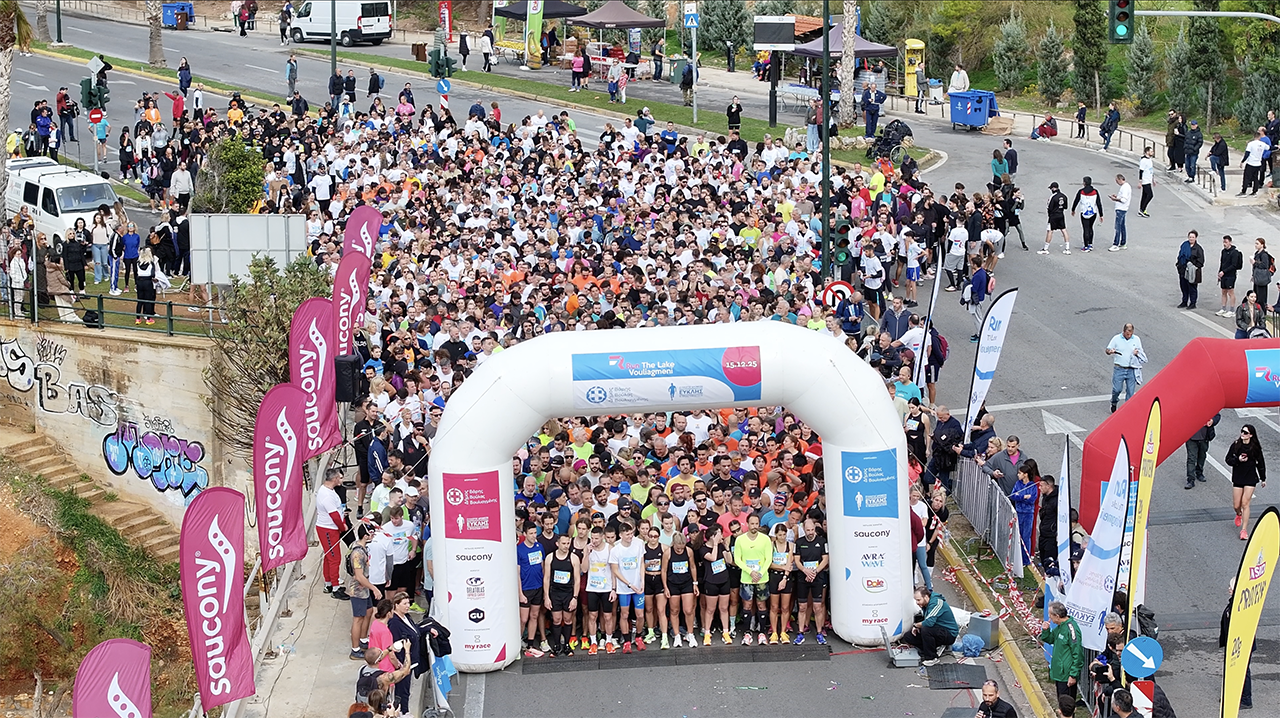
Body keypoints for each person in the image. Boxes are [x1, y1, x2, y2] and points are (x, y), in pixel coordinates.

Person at [733, 513, 772, 645]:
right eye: (752, 524)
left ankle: (762, 633)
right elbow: (737, 559)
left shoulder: (765, 539)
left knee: (761, 605)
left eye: (756, 524)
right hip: (746, 578)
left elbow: (768, 559)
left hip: (762, 578)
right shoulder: (740, 540)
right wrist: (750, 572)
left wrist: (760, 573)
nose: (754, 526)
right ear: (747, 524)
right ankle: (747, 633)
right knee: (747, 605)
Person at [1226, 423, 1267, 540]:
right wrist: (1237, 460)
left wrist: (1263, 478)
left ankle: (1244, 530)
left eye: (1245, 432)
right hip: (1238, 477)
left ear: (1251, 435)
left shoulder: (1255, 448)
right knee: (1236, 505)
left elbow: (1261, 463)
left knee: (1245, 503)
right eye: (1242, 431)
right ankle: (1239, 514)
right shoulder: (1236, 445)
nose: (1242, 434)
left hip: (1250, 478)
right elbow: (1228, 459)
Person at [900, 586, 958, 665]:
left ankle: (932, 658)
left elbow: (929, 622)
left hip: (949, 633)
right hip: (936, 629)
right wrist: (917, 627)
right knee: (908, 636)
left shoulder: (937, 603)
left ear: (926, 597)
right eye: (916, 600)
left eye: (918, 600)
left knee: (926, 629)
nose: (917, 603)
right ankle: (931, 648)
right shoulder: (925, 605)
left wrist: (916, 625)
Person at [1220, 579, 1255, 710]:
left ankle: (1245, 699)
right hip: (1234, 643)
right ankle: (1233, 696)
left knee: (1242, 671)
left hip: (1241, 644)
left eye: (1231, 587)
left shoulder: (1241, 606)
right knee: (1234, 670)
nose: (1229, 589)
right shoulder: (1235, 602)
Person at [1039, 601, 1085, 700]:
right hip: (1059, 673)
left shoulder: (1071, 629)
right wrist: (1045, 630)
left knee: (1067, 703)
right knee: (1061, 701)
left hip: (1066, 675)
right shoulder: (1061, 626)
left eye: (1050, 614)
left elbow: (1078, 654)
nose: (1049, 617)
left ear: (1057, 616)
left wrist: (1073, 675)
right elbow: (1050, 639)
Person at [317, 468, 349, 598]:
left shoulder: (328, 490)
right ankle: (335, 588)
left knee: (329, 556)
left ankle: (329, 582)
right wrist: (342, 526)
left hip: (329, 528)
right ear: (335, 479)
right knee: (335, 558)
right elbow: (334, 515)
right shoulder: (327, 495)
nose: (341, 480)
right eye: (339, 478)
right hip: (328, 529)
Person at [1106, 323, 1143, 413]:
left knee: (1130, 391)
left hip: (1131, 369)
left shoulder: (1136, 339)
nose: (1129, 336)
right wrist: (1110, 351)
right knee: (1117, 389)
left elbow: (1141, 352)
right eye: (1127, 334)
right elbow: (1107, 350)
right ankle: (1114, 402)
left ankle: (1127, 411)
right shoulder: (1116, 339)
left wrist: (1137, 353)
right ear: (1123, 331)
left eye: (1131, 334)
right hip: (1119, 368)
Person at [1010, 463, 1040, 565]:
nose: (1018, 475)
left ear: (1025, 474)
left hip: (1028, 514)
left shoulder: (1032, 485)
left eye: (1020, 473)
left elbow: (1032, 499)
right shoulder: (1018, 484)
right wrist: (1024, 497)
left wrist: (1020, 496)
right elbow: (1013, 495)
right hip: (1019, 512)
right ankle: (1015, 557)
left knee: (1026, 536)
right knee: (1017, 535)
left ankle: (1025, 560)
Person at [1185, 413, 1221, 489]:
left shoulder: (1208, 406)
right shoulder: (1188, 407)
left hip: (1204, 437)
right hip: (1191, 437)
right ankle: (1190, 479)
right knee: (1191, 458)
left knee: (1202, 456)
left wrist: (1212, 421)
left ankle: (1199, 472)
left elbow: (1217, 415)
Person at [1070, 175, 1104, 253]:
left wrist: (1073, 209)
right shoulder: (1095, 192)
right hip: (1093, 213)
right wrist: (1101, 214)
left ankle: (1086, 246)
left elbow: (1076, 201)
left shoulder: (1081, 192)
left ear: (1084, 183)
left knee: (1085, 229)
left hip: (1084, 212)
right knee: (1090, 227)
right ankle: (1090, 244)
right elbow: (1098, 203)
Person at [1176, 229, 1205, 309]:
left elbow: (1201, 261)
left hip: (1192, 271)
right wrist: (1179, 265)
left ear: (1196, 238)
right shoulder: (1184, 246)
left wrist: (1193, 267)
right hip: (1183, 269)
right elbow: (1180, 256)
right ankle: (1184, 301)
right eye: (1190, 237)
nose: (1191, 239)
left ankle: (1193, 303)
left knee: (1192, 287)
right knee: (1183, 286)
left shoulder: (1198, 248)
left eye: (1193, 237)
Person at [1040, 182, 1071, 255]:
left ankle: (1045, 248)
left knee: (1050, 231)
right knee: (1064, 230)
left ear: (1053, 188)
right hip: (1061, 214)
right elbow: (1065, 207)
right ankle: (1067, 248)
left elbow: (1049, 208)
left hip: (1053, 216)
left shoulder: (1053, 197)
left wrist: (1050, 215)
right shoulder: (1064, 196)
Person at [1218, 235, 1244, 318]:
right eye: (1223, 242)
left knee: (1230, 292)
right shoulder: (1223, 251)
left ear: (1230, 242)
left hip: (1231, 275)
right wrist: (1219, 272)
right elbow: (1222, 263)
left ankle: (1232, 310)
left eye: (1226, 242)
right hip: (1223, 274)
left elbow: (1234, 265)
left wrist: (1224, 271)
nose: (1224, 244)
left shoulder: (1234, 252)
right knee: (1223, 291)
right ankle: (1223, 308)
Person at [1240, 129, 1268, 195]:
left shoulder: (1251, 144)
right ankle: (1254, 191)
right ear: (1259, 137)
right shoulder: (1262, 144)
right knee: (1255, 177)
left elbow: (1247, 154)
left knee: (1246, 177)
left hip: (1251, 163)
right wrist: (1277, 147)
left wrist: (1242, 161)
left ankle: (1244, 191)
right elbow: (1269, 148)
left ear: (1254, 136)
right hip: (1258, 163)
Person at [1107, 174, 1131, 251]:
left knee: (1117, 227)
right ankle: (1123, 243)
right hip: (1123, 209)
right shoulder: (1126, 186)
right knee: (1122, 226)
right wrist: (1117, 197)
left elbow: (1123, 200)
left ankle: (1116, 244)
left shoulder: (1125, 187)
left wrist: (1115, 199)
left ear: (1120, 179)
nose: (1116, 182)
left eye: (1117, 180)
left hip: (1121, 209)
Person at [1137, 146, 1156, 217]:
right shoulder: (1143, 160)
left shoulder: (1149, 160)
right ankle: (1143, 209)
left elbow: (1150, 170)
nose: (1152, 152)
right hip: (1145, 180)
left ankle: (1141, 209)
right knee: (1150, 195)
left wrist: (1153, 179)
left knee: (1144, 195)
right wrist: (1140, 181)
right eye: (1151, 151)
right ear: (1147, 152)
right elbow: (1141, 171)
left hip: (1149, 179)